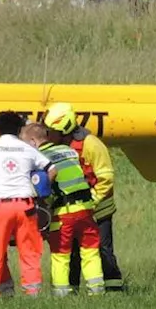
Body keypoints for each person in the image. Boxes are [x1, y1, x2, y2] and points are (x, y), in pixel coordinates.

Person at [44, 102, 125, 293]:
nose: (48, 135)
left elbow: (106, 178)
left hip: (99, 209)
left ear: (63, 130)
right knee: (71, 253)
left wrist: (92, 202)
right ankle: (72, 291)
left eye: (51, 131)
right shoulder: (58, 147)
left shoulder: (92, 144)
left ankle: (114, 289)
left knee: (103, 251)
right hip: (74, 210)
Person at [0, 111, 54, 299]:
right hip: (26, 207)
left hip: (1, 208)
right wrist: (41, 193)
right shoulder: (27, 148)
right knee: (30, 254)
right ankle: (33, 297)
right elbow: (51, 168)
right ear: (18, 129)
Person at [20, 123, 104, 296]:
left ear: (34, 142)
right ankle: (96, 291)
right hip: (86, 210)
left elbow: (43, 188)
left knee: (60, 255)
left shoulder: (40, 158)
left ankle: (61, 295)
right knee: (90, 251)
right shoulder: (70, 151)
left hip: (63, 213)